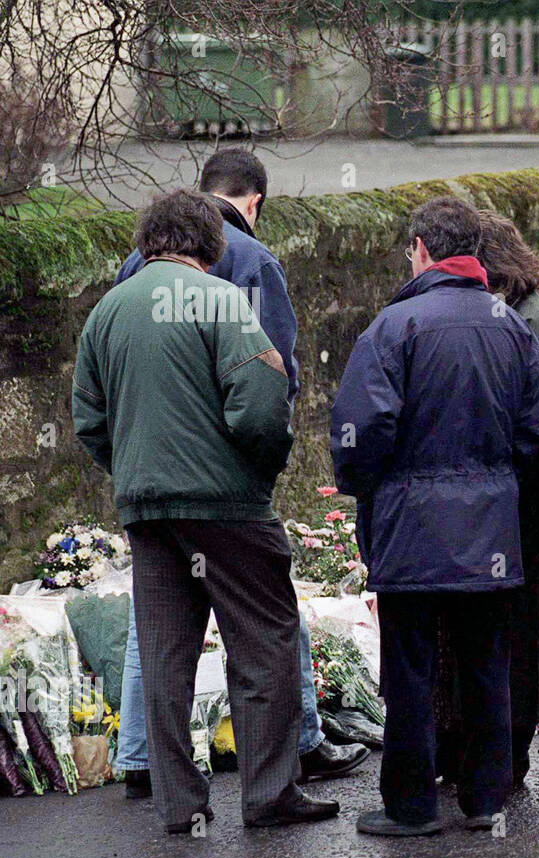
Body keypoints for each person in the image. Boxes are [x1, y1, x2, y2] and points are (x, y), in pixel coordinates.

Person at [72, 189, 339, 832]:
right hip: (227, 506)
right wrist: (260, 471)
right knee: (264, 643)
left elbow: (89, 419)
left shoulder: (107, 311)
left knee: (165, 654)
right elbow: (258, 402)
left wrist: (136, 470)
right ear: (210, 244)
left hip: (147, 509)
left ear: (147, 242)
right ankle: (269, 794)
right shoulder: (222, 300)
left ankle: (178, 804)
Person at [113, 148, 368, 798]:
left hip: (148, 470)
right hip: (227, 479)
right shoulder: (254, 262)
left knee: (160, 622)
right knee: (265, 612)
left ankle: (143, 756)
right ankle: (300, 743)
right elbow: (275, 370)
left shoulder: (134, 268)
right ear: (252, 200)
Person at [331, 196, 539, 836]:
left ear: (422, 249)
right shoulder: (510, 325)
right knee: (486, 665)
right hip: (489, 529)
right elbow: (538, 434)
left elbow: (361, 428)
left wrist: (365, 486)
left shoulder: (394, 326)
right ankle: (486, 800)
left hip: (411, 528)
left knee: (411, 671)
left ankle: (411, 805)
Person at [435, 211, 539, 790]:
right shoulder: (516, 320)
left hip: (524, 509)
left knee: (517, 630)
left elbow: (538, 439)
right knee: (488, 629)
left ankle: (503, 757)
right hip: (505, 502)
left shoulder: (538, 332)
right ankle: (478, 750)